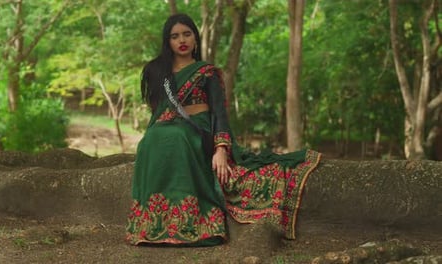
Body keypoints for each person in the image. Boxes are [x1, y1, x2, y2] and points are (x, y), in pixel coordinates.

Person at [126, 13, 321, 246]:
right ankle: (154, 225)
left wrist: (220, 149)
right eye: (175, 36)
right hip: (166, 126)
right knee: (150, 140)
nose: (182, 40)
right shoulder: (157, 71)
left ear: (195, 38)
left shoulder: (207, 72)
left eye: (187, 34)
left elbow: (219, 112)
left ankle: (194, 224)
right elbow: (157, 109)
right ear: (167, 41)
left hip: (198, 127)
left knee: (178, 136)